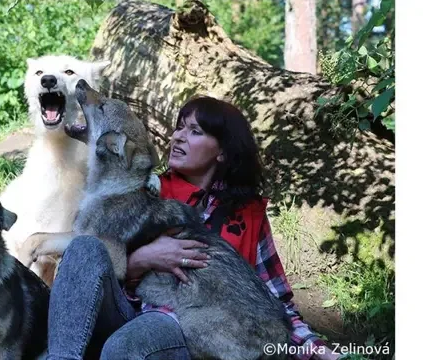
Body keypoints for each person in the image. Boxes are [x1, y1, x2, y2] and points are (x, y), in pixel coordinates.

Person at [45, 96, 339, 360]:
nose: (178, 138)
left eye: (195, 131)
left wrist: (314, 349)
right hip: (128, 309)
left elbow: (276, 300)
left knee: (129, 344)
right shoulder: (144, 189)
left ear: (222, 152)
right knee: (84, 249)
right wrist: (142, 261)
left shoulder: (249, 214)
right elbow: (98, 272)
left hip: (200, 327)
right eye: (180, 128)